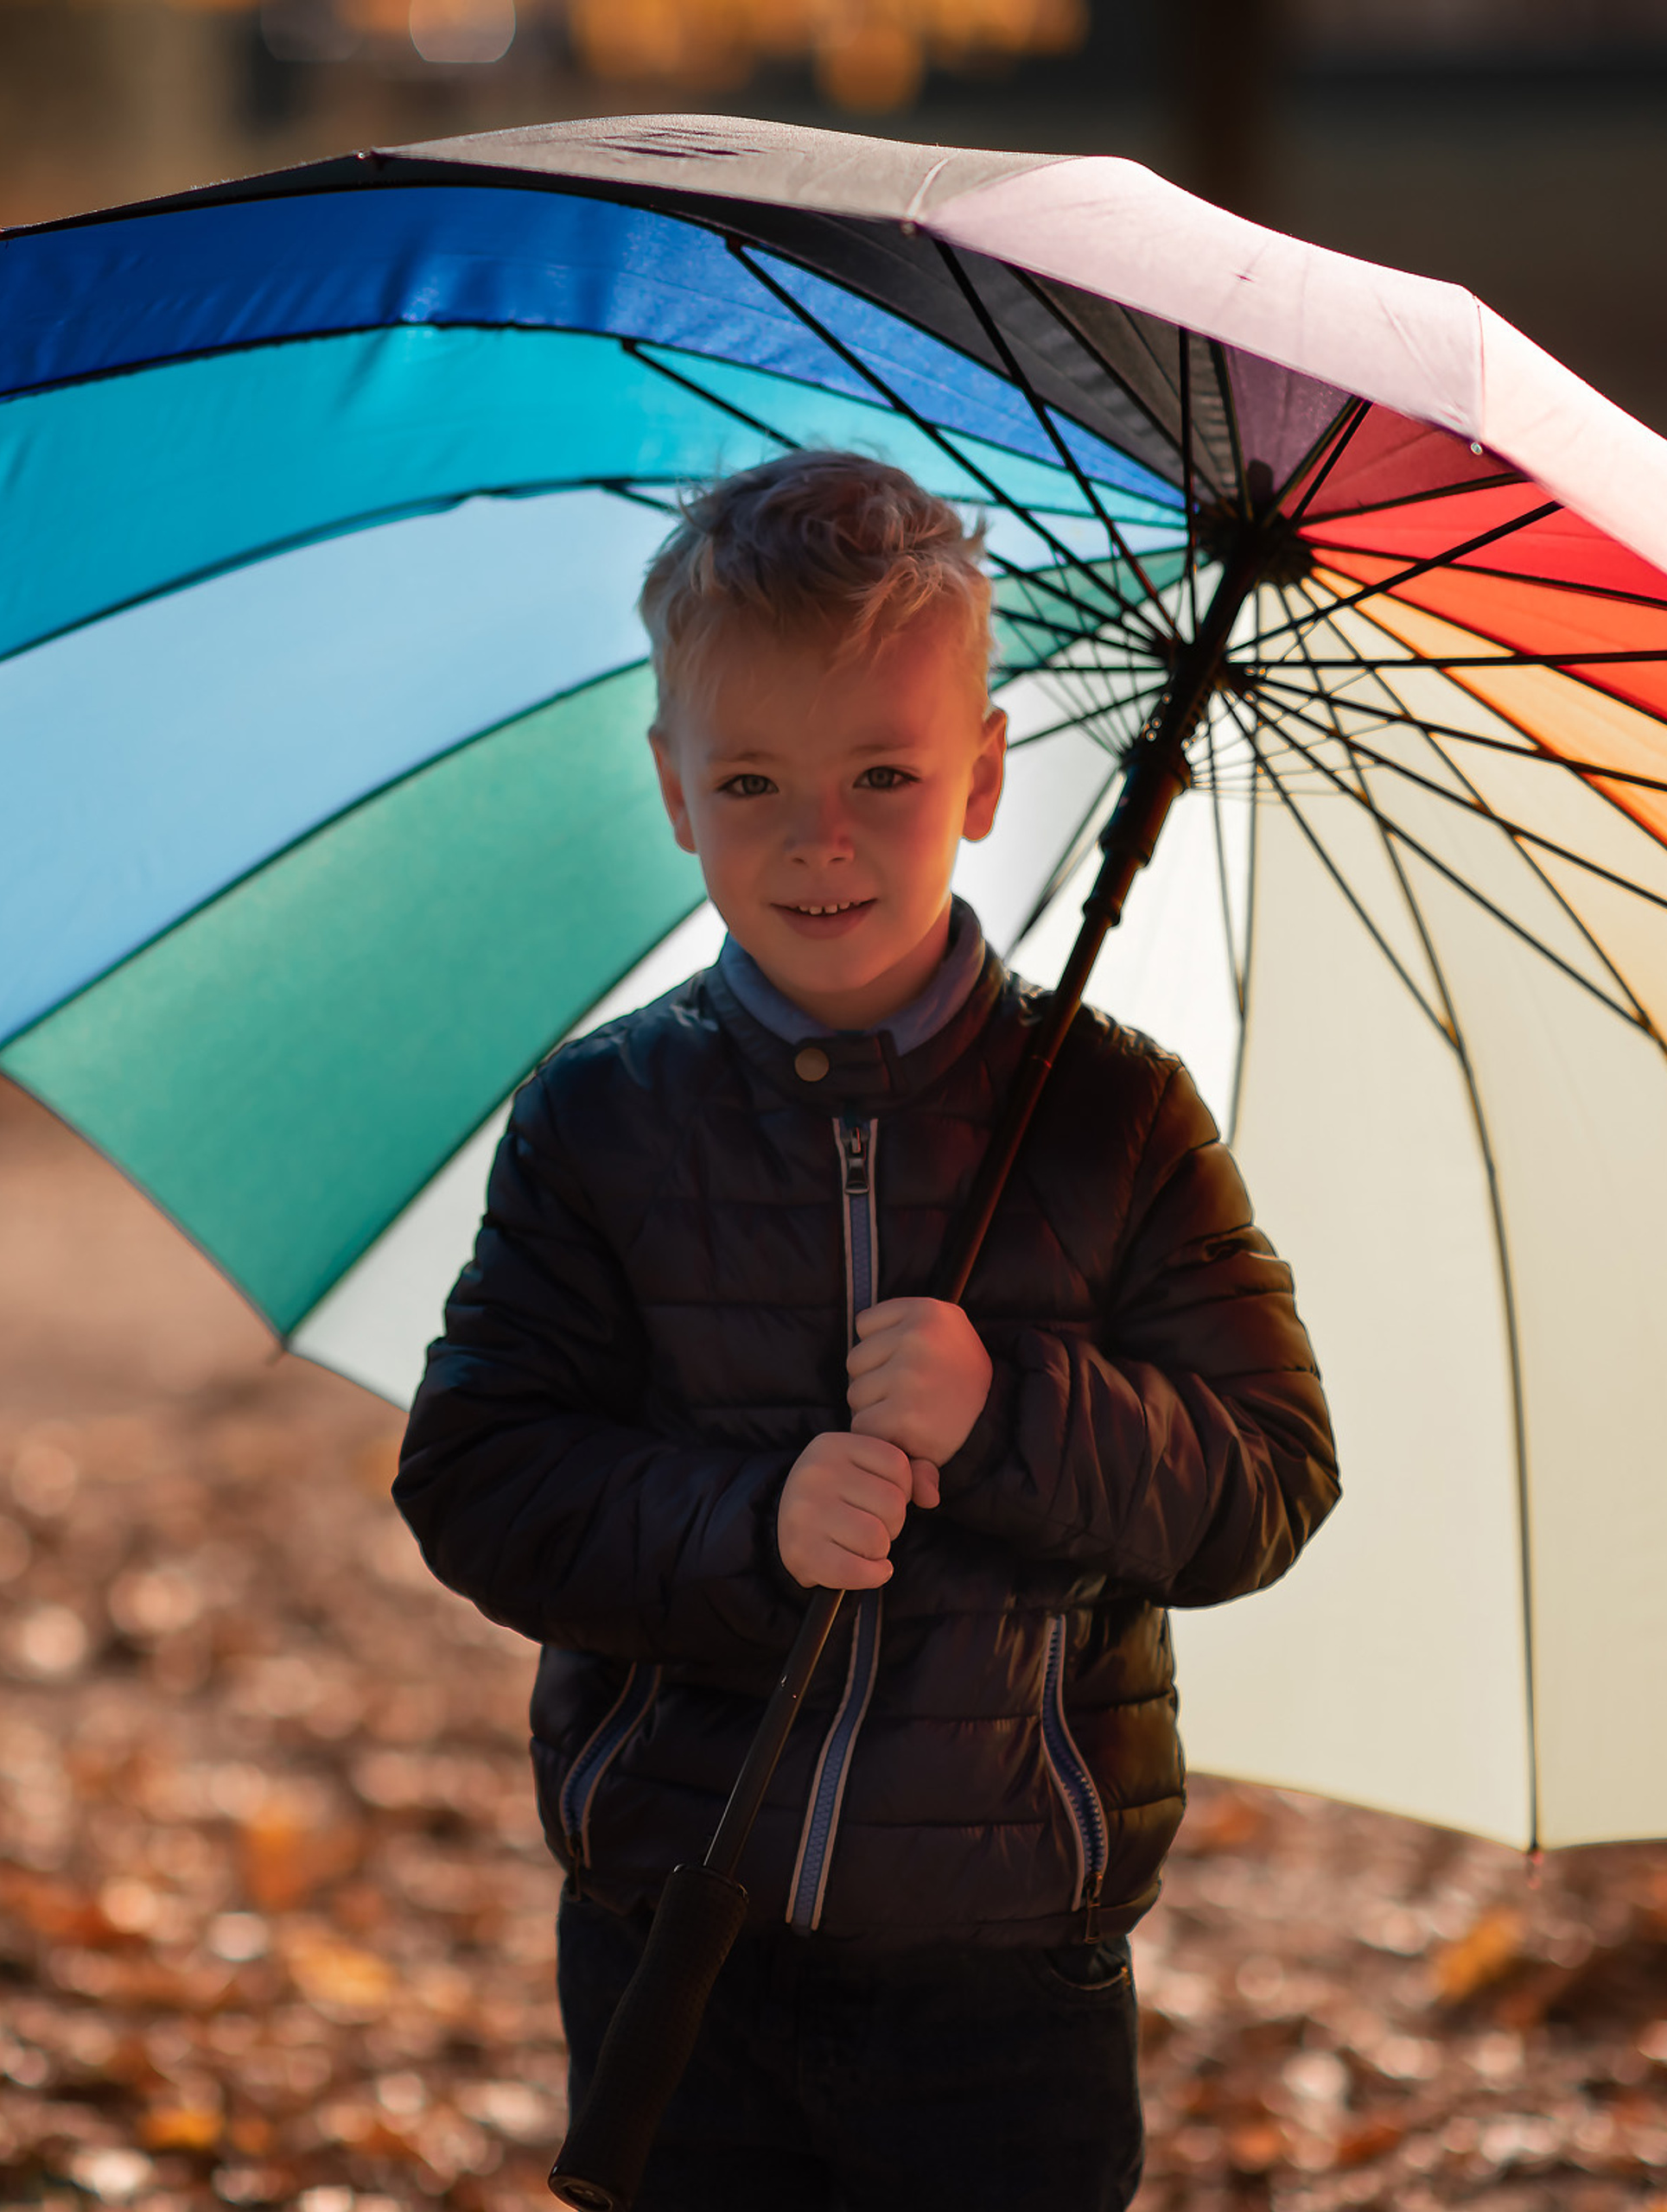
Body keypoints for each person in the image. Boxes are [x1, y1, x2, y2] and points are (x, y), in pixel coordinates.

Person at [393, 450, 1338, 2209]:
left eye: (882, 774)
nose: (816, 835)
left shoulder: (1111, 1119)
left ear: (979, 777)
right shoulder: (603, 1120)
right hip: (679, 1929)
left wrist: (1010, 1409)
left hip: (1002, 1978)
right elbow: (480, 1473)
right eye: (750, 777)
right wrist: (741, 1520)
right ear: (672, 787)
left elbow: (1265, 1476)